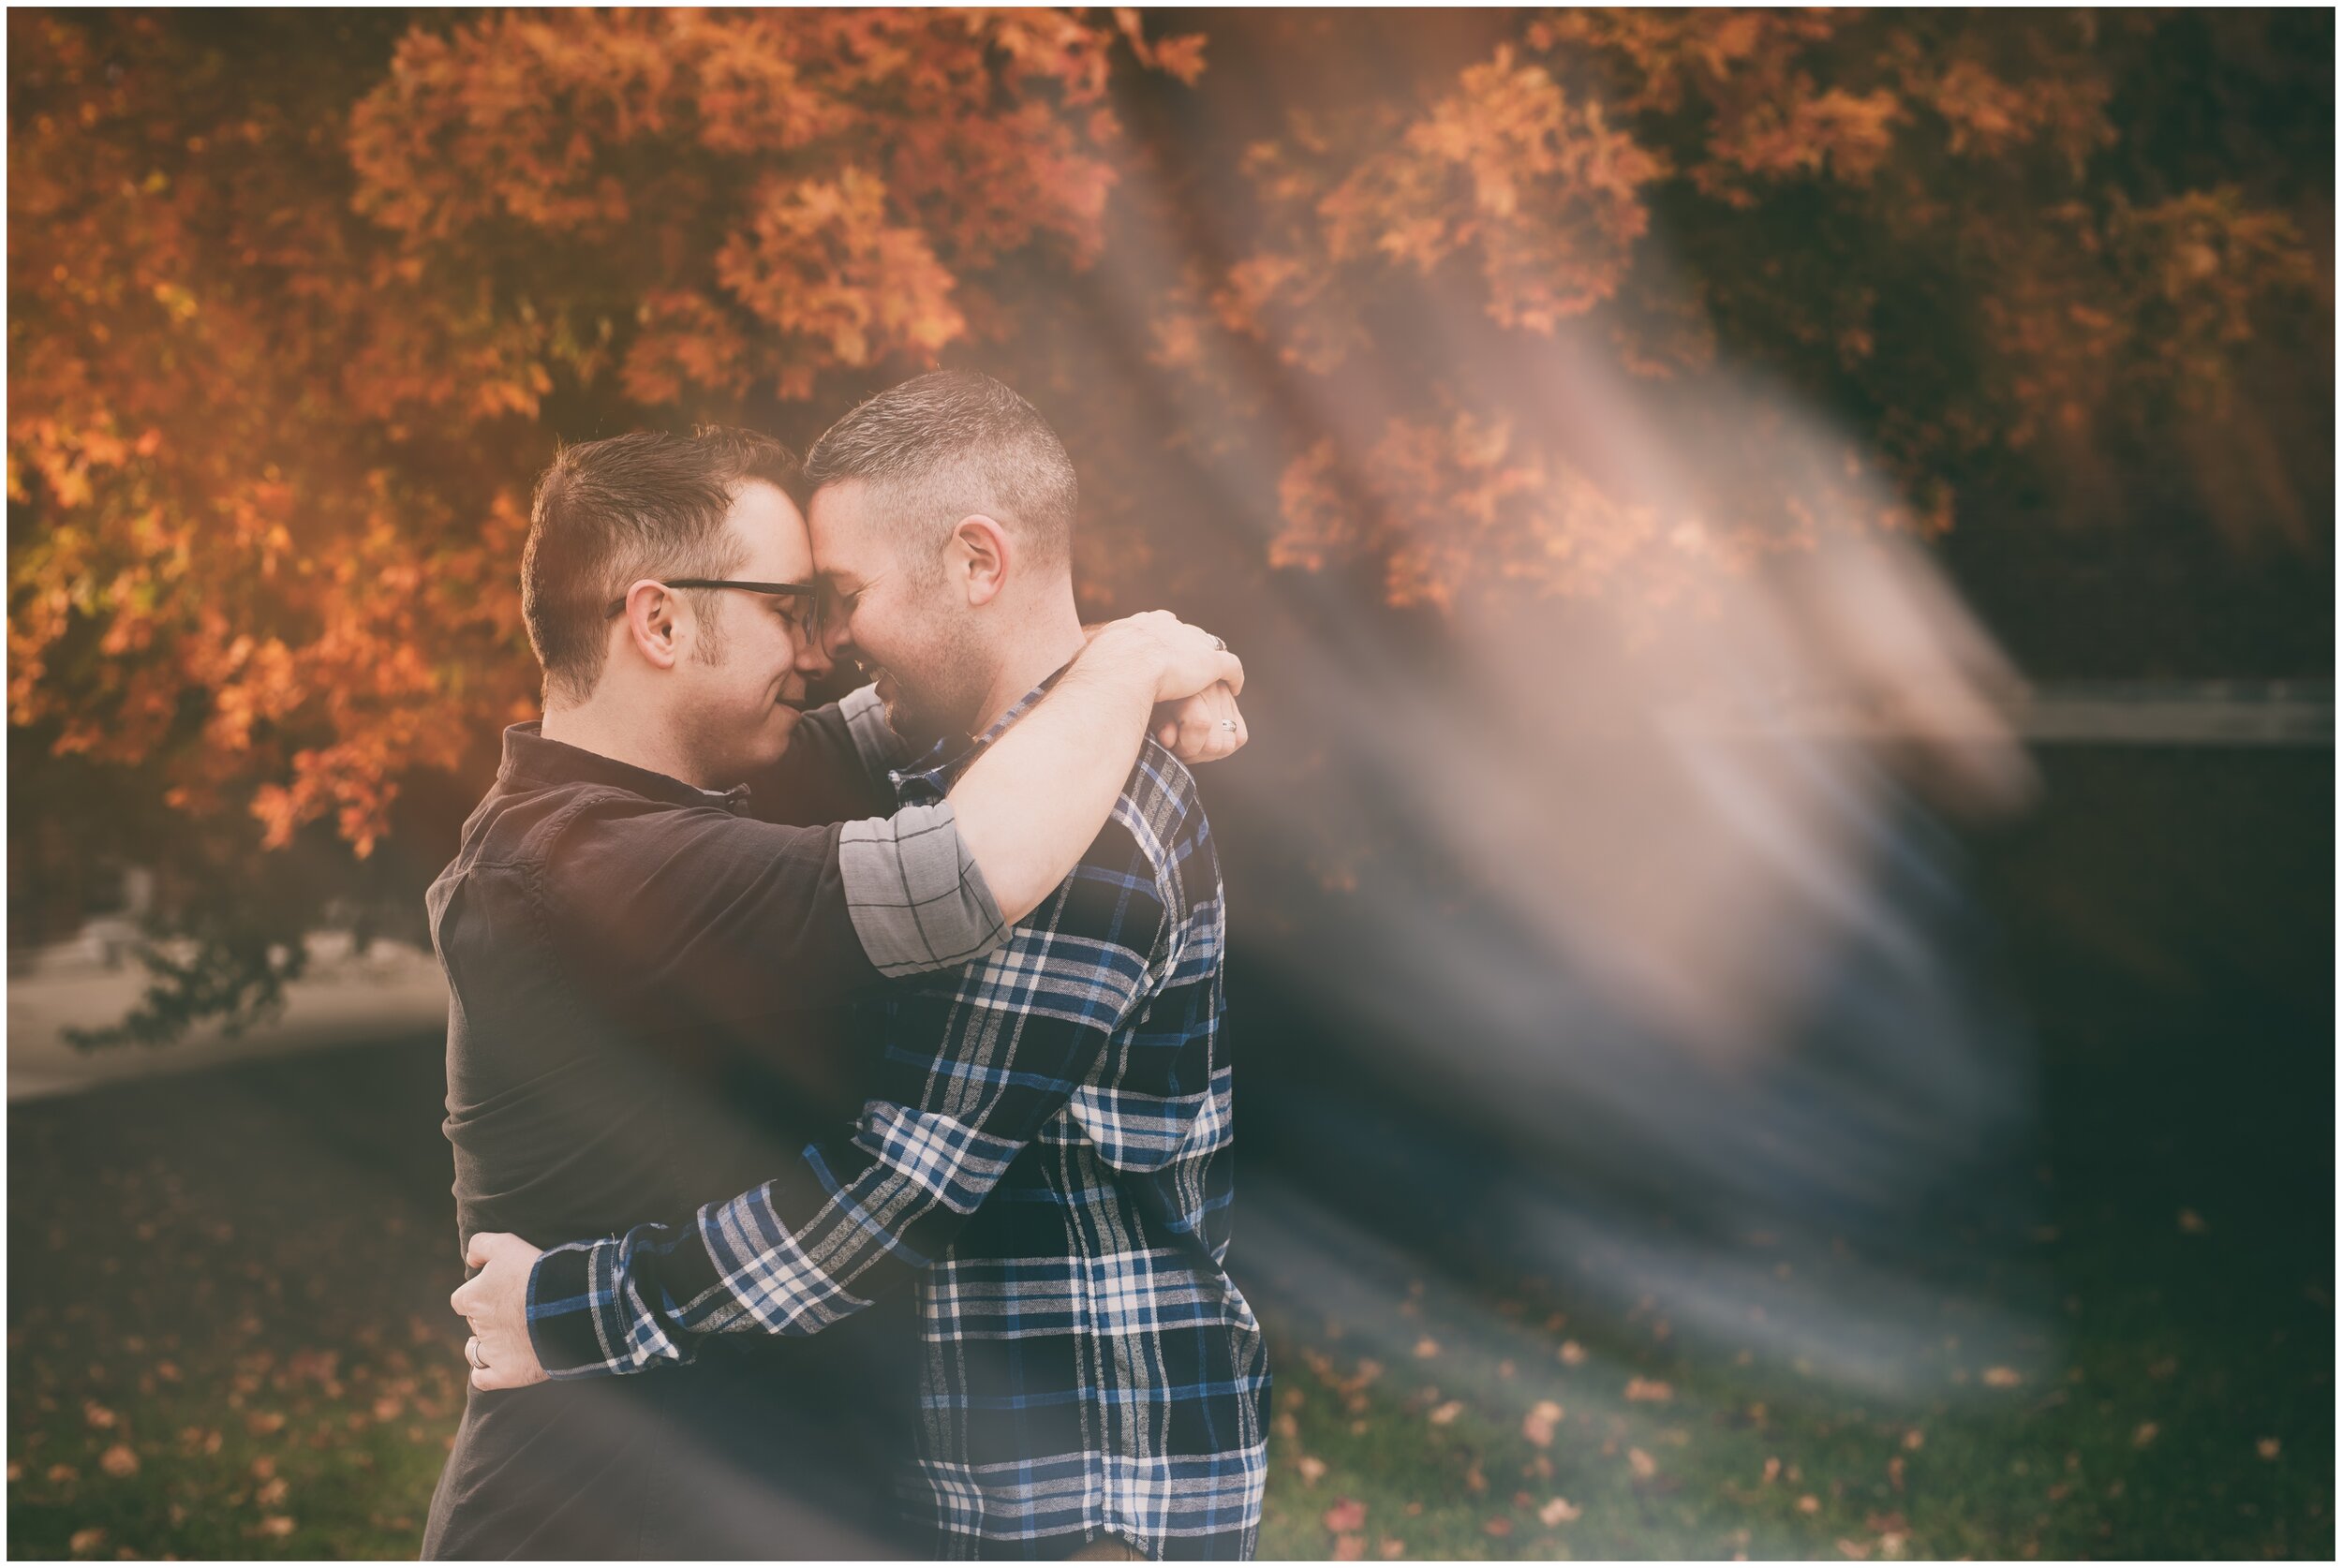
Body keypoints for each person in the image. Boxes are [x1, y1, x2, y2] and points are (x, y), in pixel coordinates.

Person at [456, 373, 1271, 1561]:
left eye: (836, 598)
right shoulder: (956, 775)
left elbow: (901, 1187)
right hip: (878, 1486)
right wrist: (1141, 654)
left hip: (1089, 1489)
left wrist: (572, 1310)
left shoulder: (1079, 823)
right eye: (794, 605)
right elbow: (911, 814)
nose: (824, 646)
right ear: (658, 620)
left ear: (977, 563)